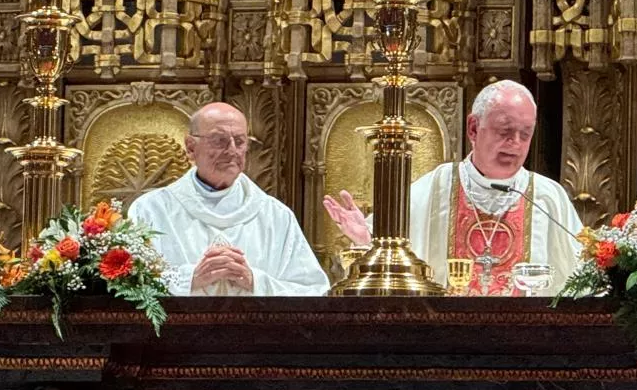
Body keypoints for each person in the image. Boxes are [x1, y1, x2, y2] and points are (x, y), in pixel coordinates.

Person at [321, 80, 583, 293]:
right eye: (505, 130)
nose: (515, 143)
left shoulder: (547, 198)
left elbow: (583, 279)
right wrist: (367, 239)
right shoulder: (437, 187)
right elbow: (390, 258)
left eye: (525, 134)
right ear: (473, 128)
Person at [128, 102, 328, 296]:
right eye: (219, 140)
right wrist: (189, 279)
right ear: (191, 147)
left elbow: (313, 291)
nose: (232, 150)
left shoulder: (276, 216)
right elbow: (128, 286)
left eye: (240, 141)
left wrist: (254, 281)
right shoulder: (150, 210)